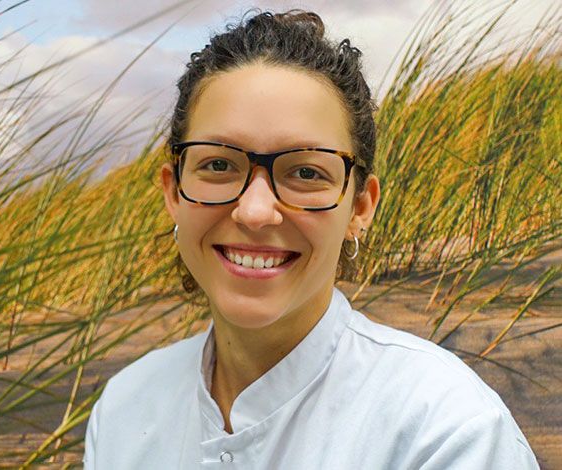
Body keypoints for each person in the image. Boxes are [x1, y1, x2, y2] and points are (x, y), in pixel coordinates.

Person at [83, 9, 540, 469]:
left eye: (306, 171)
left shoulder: (446, 430)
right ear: (173, 192)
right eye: (219, 165)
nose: (256, 211)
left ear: (360, 207)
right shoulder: (124, 407)